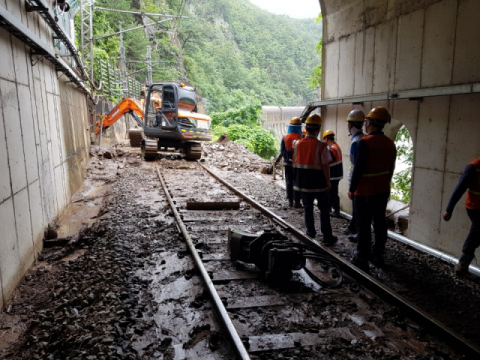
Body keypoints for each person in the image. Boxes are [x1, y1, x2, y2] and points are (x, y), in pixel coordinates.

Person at [349, 107, 396, 271]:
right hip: (382, 191)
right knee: (380, 223)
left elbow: (358, 169)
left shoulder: (365, 142)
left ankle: (361, 257)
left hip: (364, 192)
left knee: (363, 226)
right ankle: (377, 254)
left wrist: (351, 189)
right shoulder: (390, 144)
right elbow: (391, 169)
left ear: (369, 122)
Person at [292, 114, 338, 245]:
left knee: (308, 208)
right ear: (318, 129)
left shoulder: (297, 144)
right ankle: (327, 236)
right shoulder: (321, 146)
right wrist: (328, 182)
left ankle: (310, 232)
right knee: (324, 209)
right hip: (319, 184)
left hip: (303, 183)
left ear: (306, 127)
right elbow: (325, 166)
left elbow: (295, 164)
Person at [443, 158, 480, 275]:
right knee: (477, 232)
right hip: (475, 208)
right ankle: (462, 265)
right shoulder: (473, 168)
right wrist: (449, 209)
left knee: (476, 234)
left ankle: (462, 266)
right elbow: (459, 189)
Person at [343, 110, 366, 241]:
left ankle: (358, 232)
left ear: (351, 125)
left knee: (358, 208)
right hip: (360, 181)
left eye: (349, 123)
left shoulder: (357, 142)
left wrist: (352, 187)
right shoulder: (363, 139)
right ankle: (353, 227)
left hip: (357, 181)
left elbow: (356, 166)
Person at [280, 117, 303, 208]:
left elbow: (282, 151)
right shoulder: (301, 137)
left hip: (288, 164)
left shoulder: (285, 137)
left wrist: (287, 158)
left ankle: (290, 201)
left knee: (289, 181)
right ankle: (297, 201)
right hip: (298, 164)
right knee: (297, 182)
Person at [323, 130, 343, 217]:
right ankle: (330, 209)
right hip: (336, 174)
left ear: (326, 139)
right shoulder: (335, 146)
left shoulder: (333, 148)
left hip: (334, 174)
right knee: (331, 193)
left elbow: (328, 160)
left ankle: (335, 210)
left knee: (333, 193)